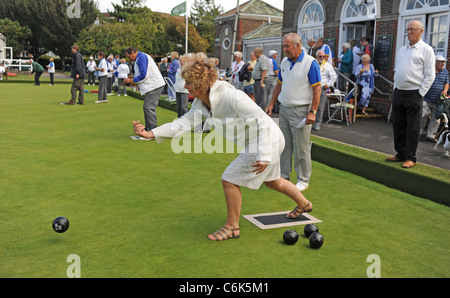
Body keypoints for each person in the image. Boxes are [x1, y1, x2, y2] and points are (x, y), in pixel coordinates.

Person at [132, 52, 313, 241]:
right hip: (262, 140)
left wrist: (264, 155)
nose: (185, 87)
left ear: (201, 84)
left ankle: (232, 227)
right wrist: (150, 133)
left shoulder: (232, 96)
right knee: (273, 181)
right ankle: (304, 204)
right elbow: (182, 124)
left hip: (266, 139)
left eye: (189, 83)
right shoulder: (202, 103)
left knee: (229, 179)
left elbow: (262, 121)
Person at [266, 33, 322, 192]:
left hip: (302, 110)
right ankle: (284, 176)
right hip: (284, 108)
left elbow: (317, 88)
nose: (284, 50)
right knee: (284, 145)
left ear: (298, 45)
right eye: (284, 46)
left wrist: (313, 111)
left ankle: (303, 179)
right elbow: (279, 85)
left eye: (287, 46)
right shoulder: (284, 61)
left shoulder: (310, 63)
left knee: (301, 147)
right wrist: (271, 104)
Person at [386, 20, 436, 169]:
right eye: (408, 29)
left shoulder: (426, 50)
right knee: (398, 125)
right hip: (399, 92)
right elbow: (398, 70)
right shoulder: (402, 50)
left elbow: (430, 75)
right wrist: (396, 86)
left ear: (421, 31)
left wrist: (420, 93)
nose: (409, 32)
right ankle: (400, 153)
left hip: (414, 93)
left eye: (412, 29)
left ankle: (411, 157)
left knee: (412, 127)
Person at [124, 47, 165, 132]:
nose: (129, 58)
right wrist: (133, 82)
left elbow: (144, 75)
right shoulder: (140, 58)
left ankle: (152, 131)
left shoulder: (142, 57)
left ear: (133, 52)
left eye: (129, 56)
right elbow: (142, 75)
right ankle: (149, 129)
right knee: (147, 107)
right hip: (153, 85)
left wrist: (131, 80)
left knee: (148, 107)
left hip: (154, 85)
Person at [421, 55, 449, 142]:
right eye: (441, 62)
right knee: (422, 116)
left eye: (444, 62)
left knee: (436, 119)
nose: (443, 63)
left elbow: (447, 83)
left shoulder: (445, 72)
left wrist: (445, 90)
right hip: (426, 98)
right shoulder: (429, 70)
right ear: (435, 62)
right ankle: (416, 133)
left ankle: (431, 136)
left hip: (438, 100)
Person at [313, 50, 337, 131]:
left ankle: (318, 123)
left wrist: (329, 84)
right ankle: (311, 122)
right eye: (320, 56)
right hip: (312, 89)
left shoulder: (328, 66)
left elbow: (334, 77)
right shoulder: (313, 64)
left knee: (320, 107)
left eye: (323, 56)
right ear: (316, 56)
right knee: (310, 106)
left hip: (322, 89)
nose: (322, 58)